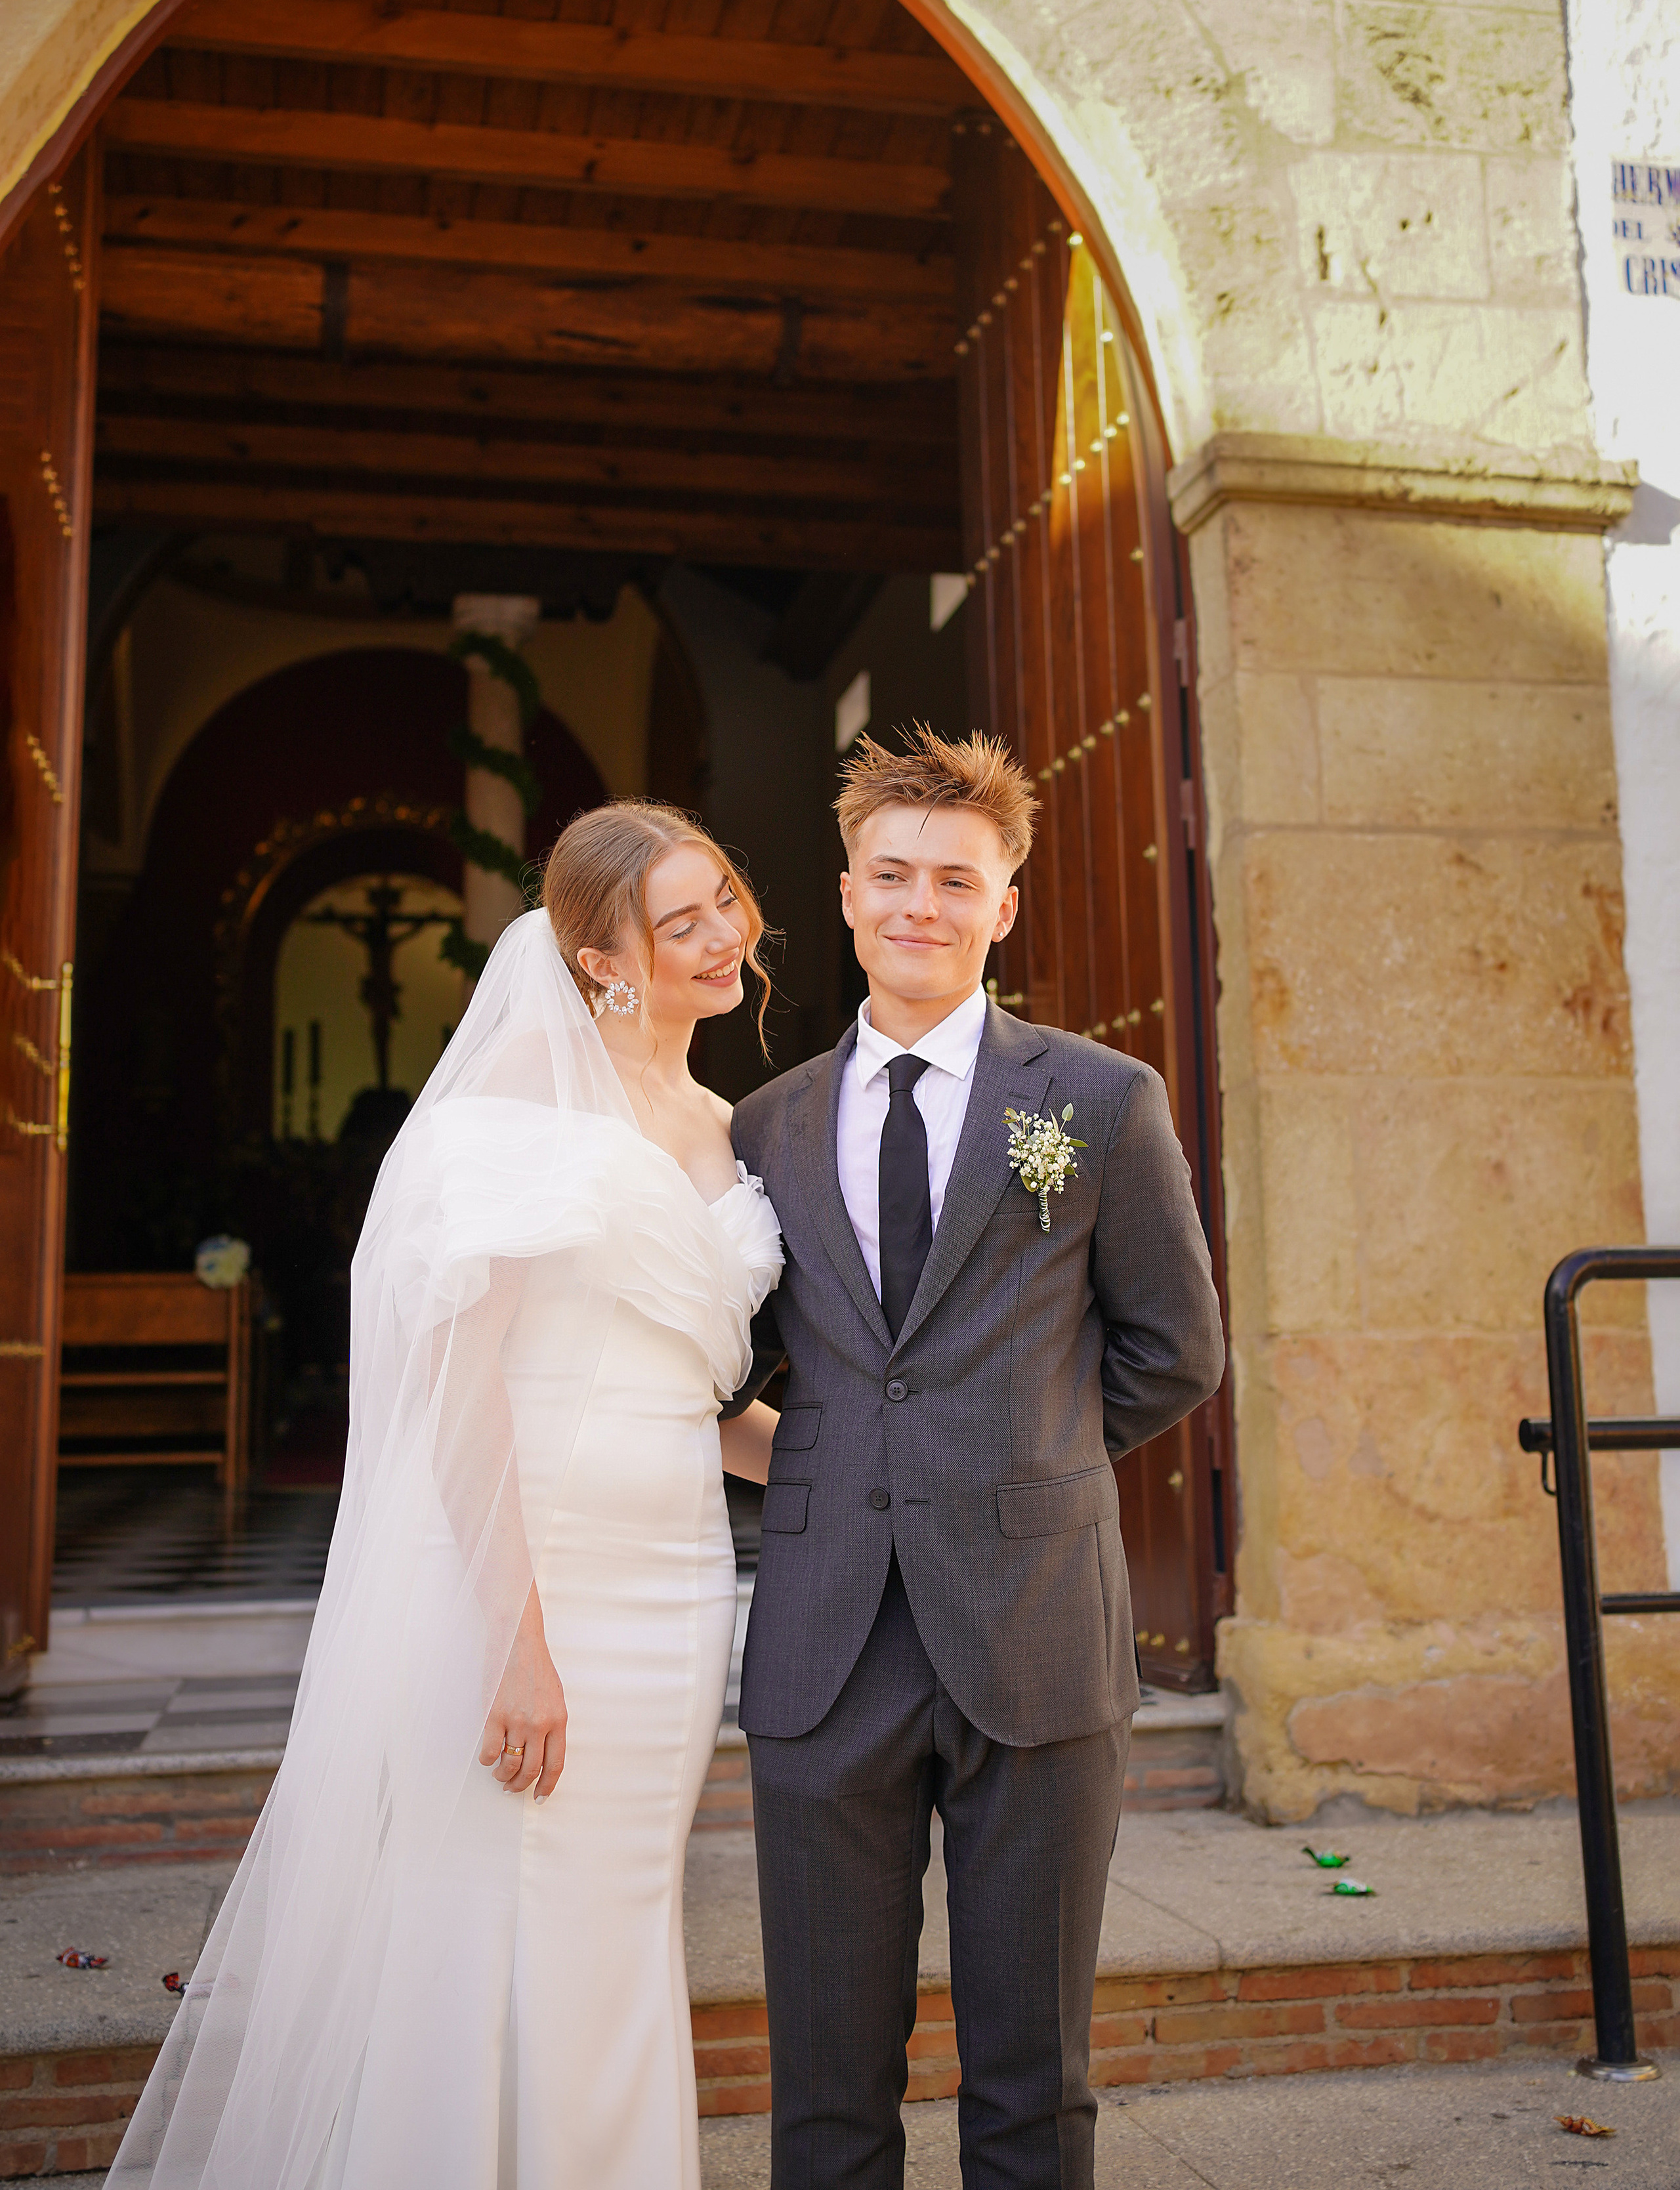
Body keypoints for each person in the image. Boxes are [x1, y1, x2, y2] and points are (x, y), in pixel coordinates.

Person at [108, 803, 784, 2190]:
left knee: (620, 1915)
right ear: (601, 959)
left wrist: (904, 1469)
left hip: (675, 1576)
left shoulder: (725, 1122)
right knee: (494, 1919)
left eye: (723, 897)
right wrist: (517, 1640)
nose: (723, 934)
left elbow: (701, 1405)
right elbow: (461, 1386)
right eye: (681, 921)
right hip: (532, 1572)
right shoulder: (526, 1096)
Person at [727, 725, 1226, 2189]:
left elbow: (1177, 1350)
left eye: (956, 880)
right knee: (825, 2088)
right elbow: (722, 1368)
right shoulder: (762, 1126)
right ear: (845, 894)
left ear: (1004, 905)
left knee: (1030, 2081)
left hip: (1034, 1625)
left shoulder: (1099, 1101)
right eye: (892, 875)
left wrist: (1021, 1457)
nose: (920, 905)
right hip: (825, 1639)